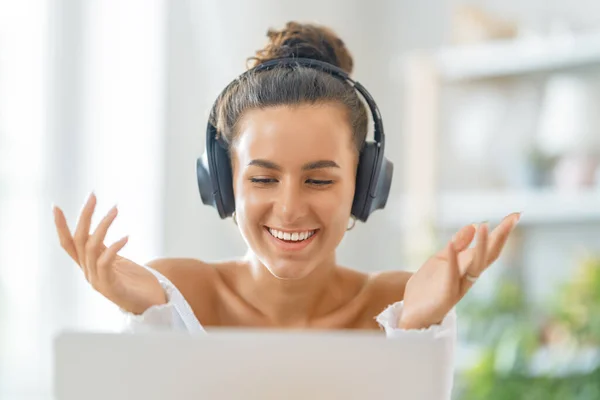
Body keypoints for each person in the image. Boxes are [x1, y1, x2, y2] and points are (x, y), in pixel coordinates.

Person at [52, 20, 520, 389]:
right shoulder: (177, 294)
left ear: (365, 186)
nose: (291, 208)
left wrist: (419, 331)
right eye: (262, 178)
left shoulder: (399, 302)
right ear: (222, 181)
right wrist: (153, 323)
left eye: (318, 179)